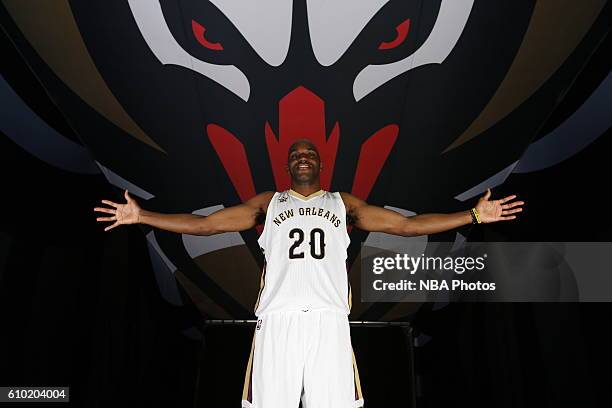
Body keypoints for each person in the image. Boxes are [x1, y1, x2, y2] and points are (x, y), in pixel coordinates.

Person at [94, 139, 523, 408]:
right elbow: (205, 225)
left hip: (328, 323)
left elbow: (406, 226)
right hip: (277, 323)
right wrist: (142, 216)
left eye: (310, 153)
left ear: (319, 164)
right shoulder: (269, 203)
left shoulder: (343, 203)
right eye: (296, 154)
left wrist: (472, 215)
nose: (303, 157)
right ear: (288, 166)